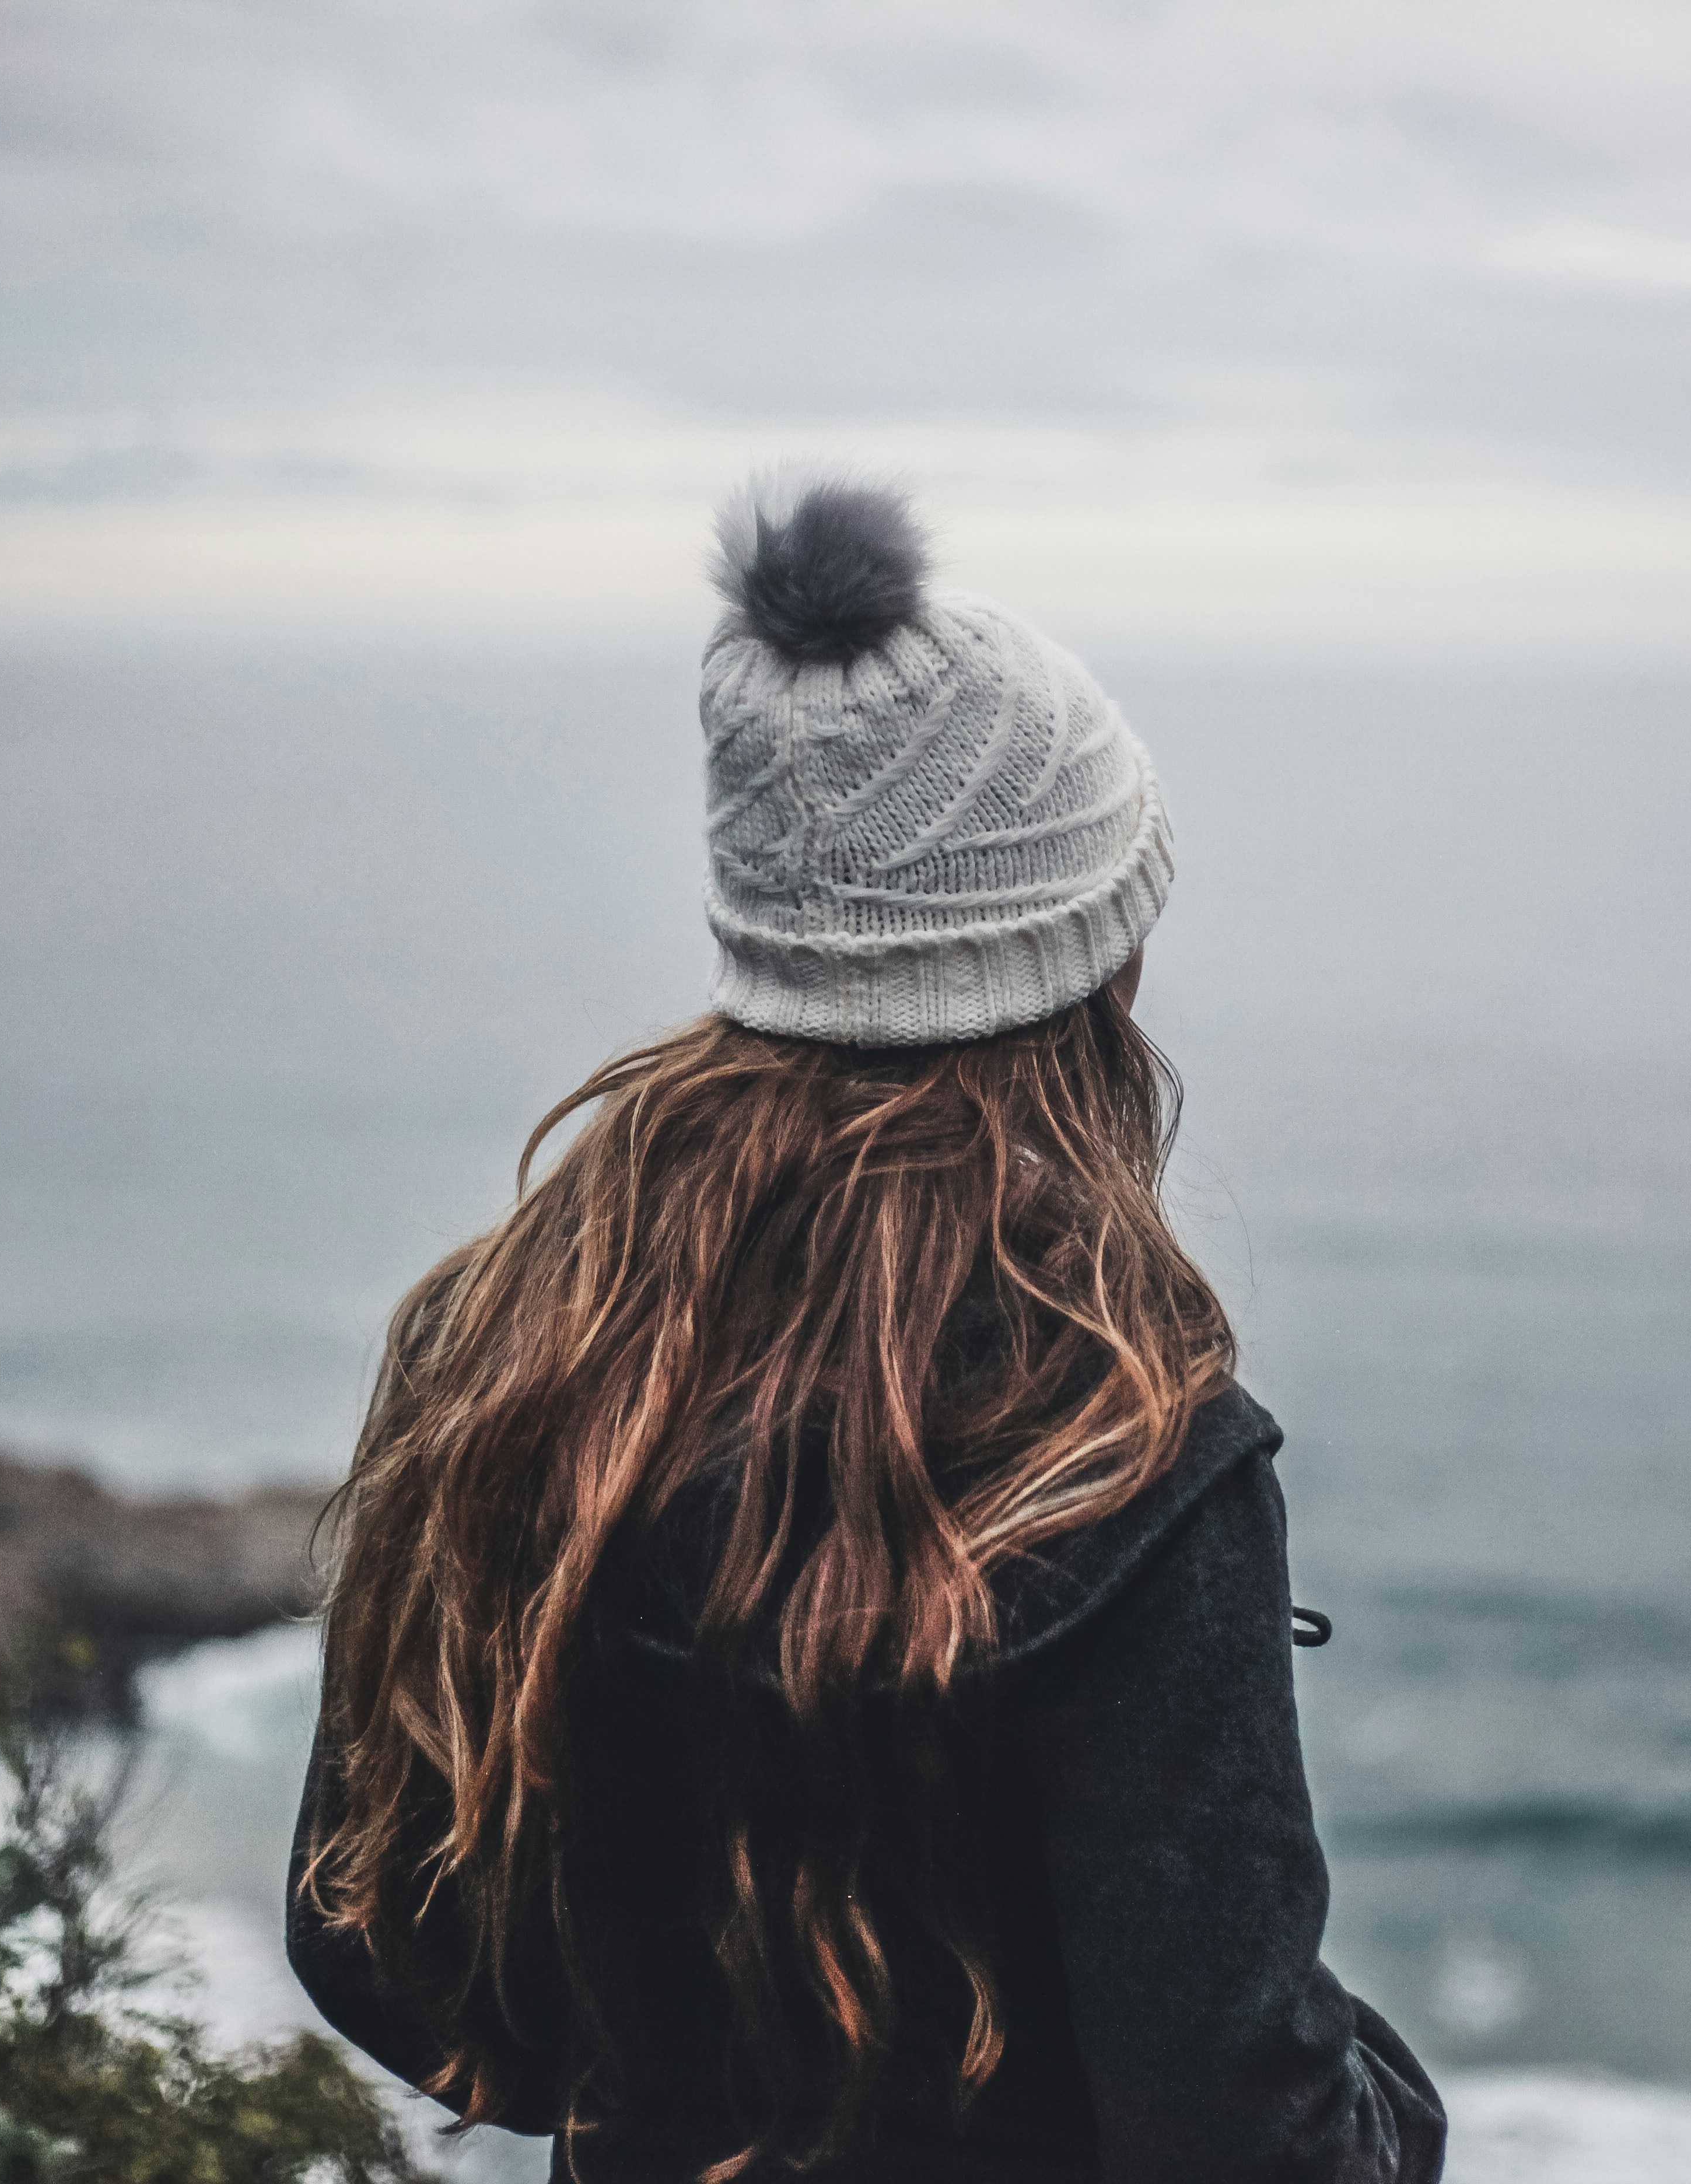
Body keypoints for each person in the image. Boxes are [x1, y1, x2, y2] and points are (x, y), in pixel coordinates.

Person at [288, 473, 1447, 2183]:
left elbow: (376, 1950)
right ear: (1093, 968)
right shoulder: (1121, 1450)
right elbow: (1242, 2143)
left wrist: (673, 2078)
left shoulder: (511, 1347)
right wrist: (1391, 2101)